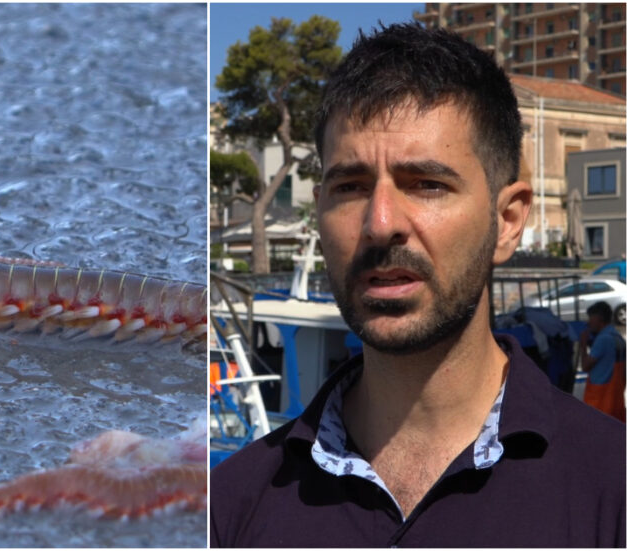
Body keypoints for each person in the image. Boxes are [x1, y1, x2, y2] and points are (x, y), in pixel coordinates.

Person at [210, 24, 625, 547]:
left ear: (509, 221)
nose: (381, 223)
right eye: (351, 186)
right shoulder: (228, 507)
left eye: (427, 184)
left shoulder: (614, 491)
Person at [579, 301, 626, 421]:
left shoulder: (603, 340)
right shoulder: (618, 338)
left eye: (591, 318)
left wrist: (583, 345)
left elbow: (585, 366)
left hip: (599, 400)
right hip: (616, 399)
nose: (588, 323)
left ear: (599, 319)